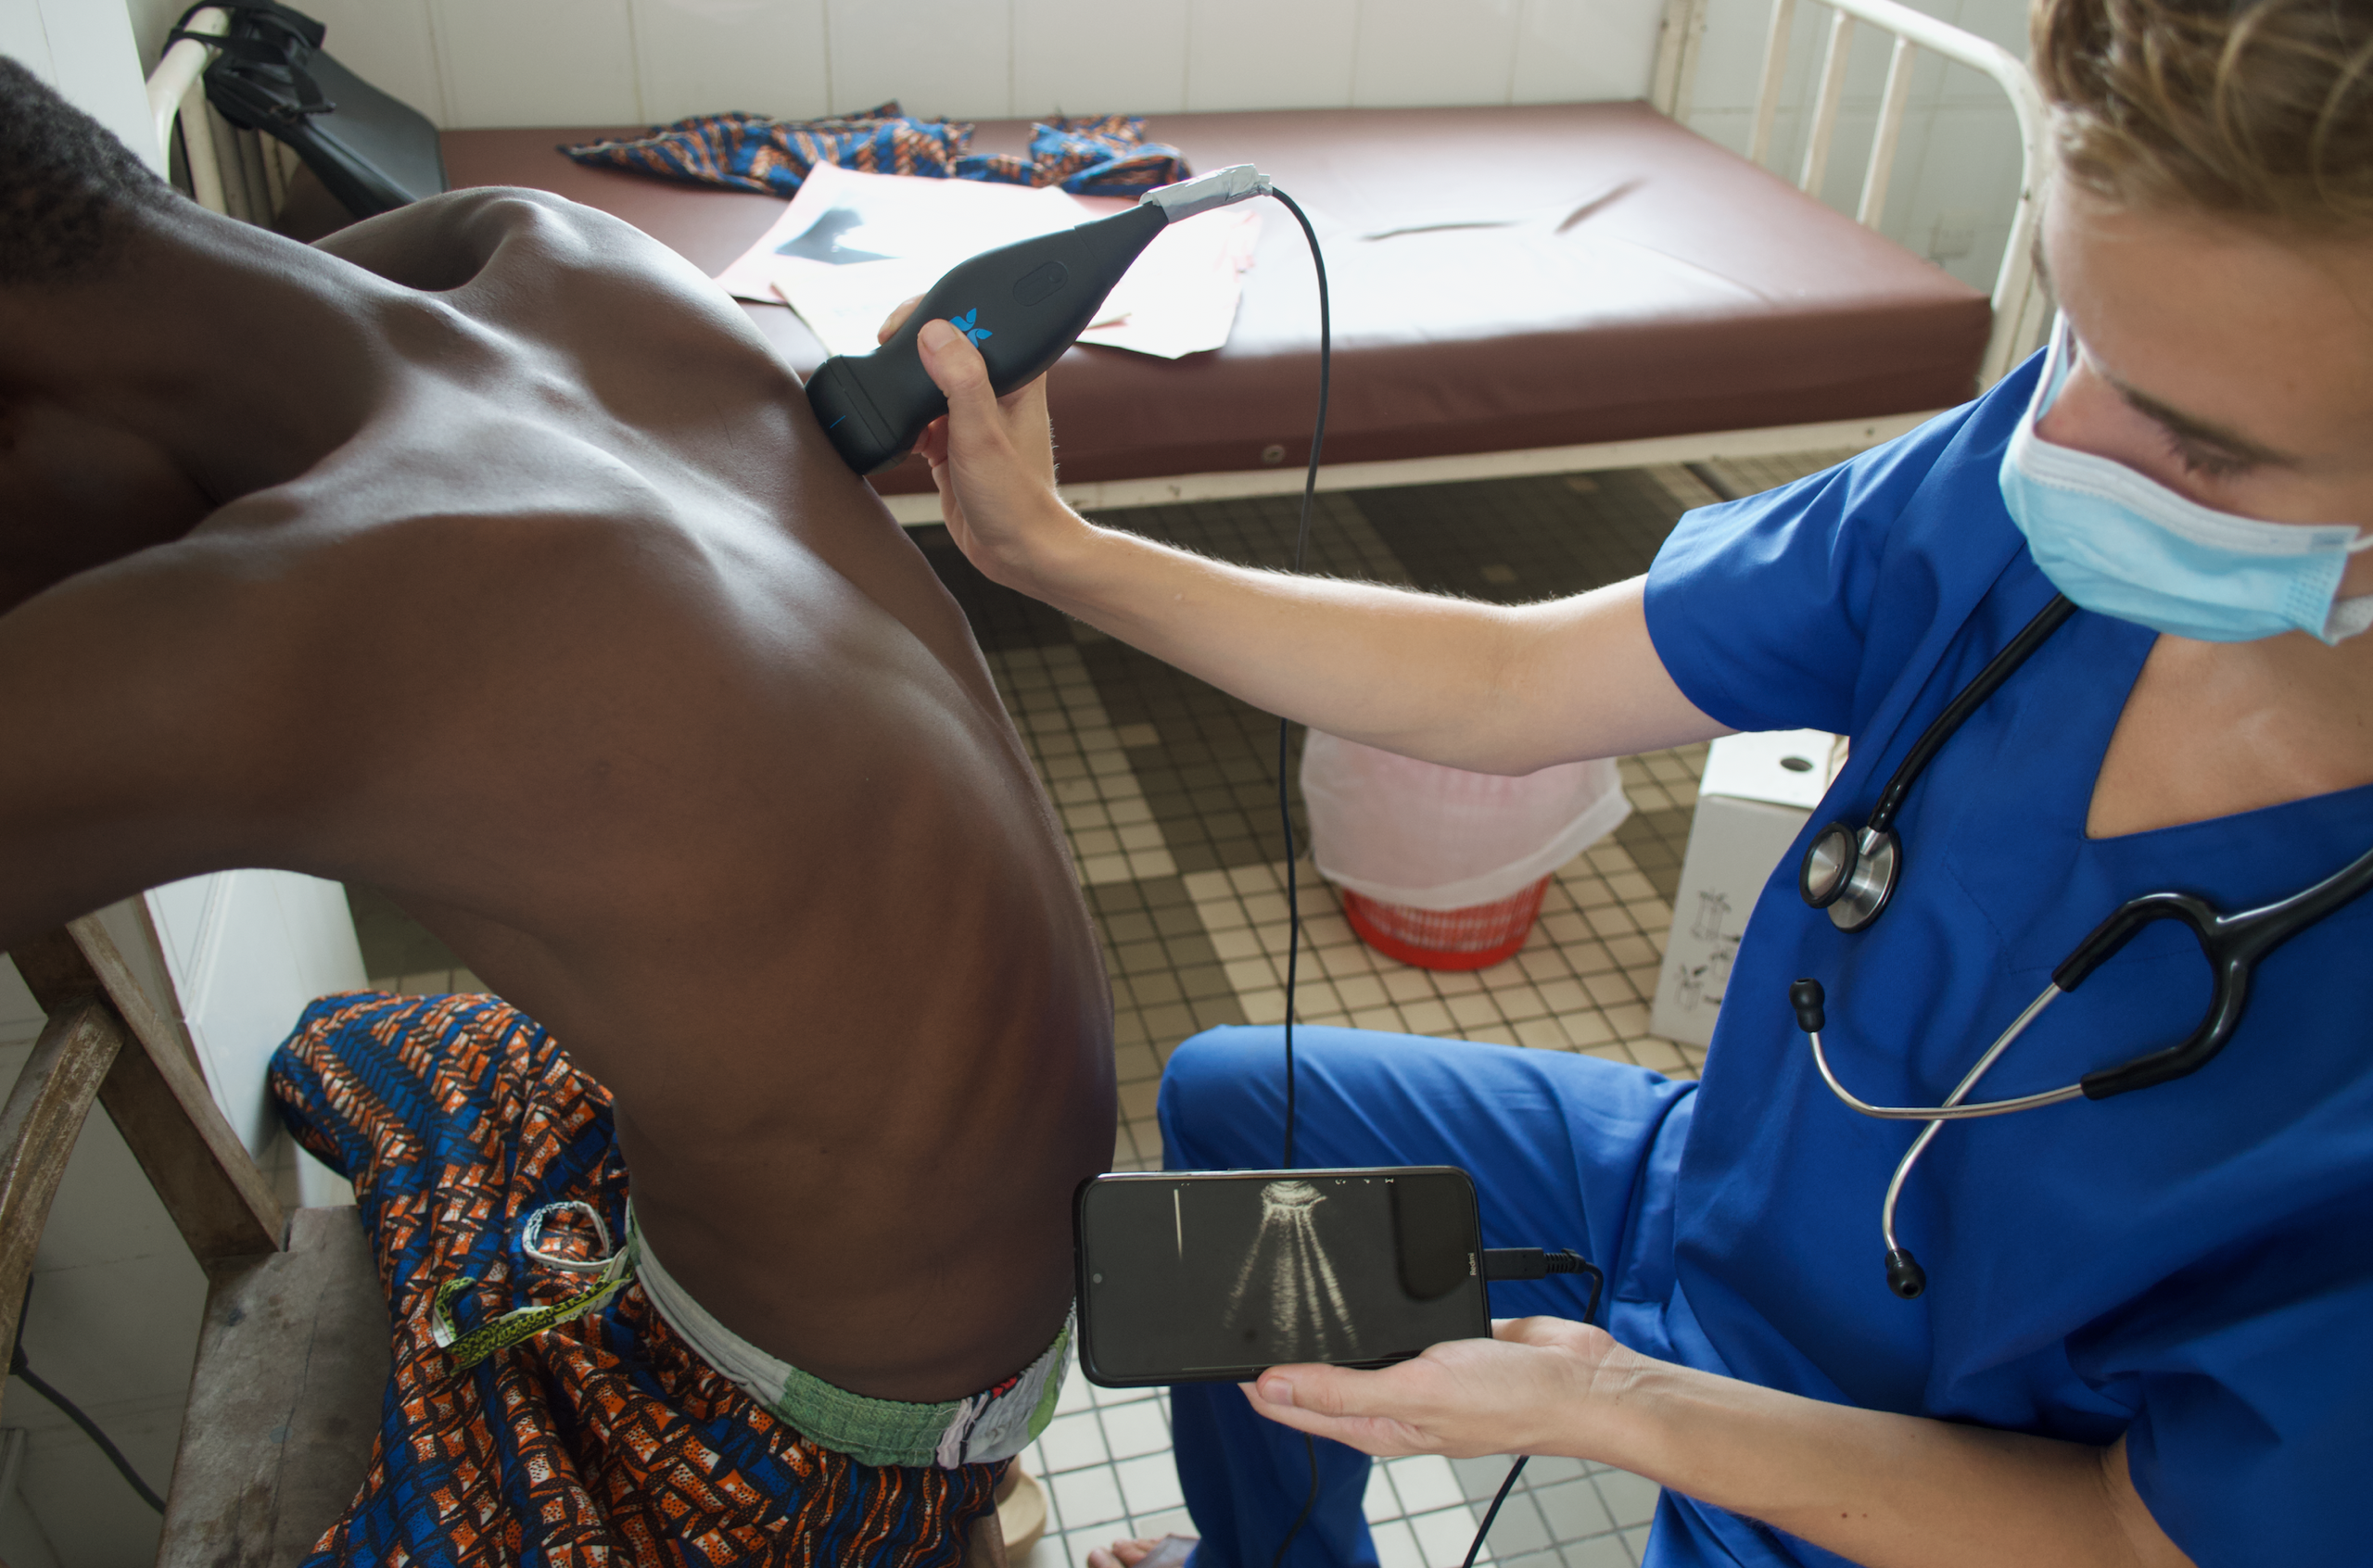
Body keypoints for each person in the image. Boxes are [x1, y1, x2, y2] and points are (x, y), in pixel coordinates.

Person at [889, 0, 2373, 1562]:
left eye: (2197, 449)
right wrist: (1053, 555)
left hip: (1938, 1462)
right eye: (2077, 330)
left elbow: (2141, 1545)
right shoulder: (2019, 487)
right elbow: (1518, 681)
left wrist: (1624, 1404)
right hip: (1723, 1189)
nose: (2054, 441)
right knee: (1246, 1110)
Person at [0, 58, 1110, 1562]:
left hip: (813, 1438)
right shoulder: (554, 249)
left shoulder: (311, 627)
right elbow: (217, 341)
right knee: (353, 1050)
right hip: (994, 1294)